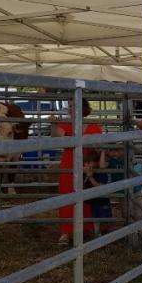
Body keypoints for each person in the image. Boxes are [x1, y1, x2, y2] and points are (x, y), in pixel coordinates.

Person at [52, 98, 104, 247]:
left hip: (87, 166)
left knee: (87, 197)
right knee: (67, 197)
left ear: (83, 107)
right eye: (69, 106)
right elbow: (57, 136)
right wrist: (53, 123)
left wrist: (92, 163)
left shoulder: (94, 126)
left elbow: (99, 146)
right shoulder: (66, 124)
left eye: (72, 106)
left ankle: (85, 228)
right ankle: (65, 232)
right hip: (69, 165)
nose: (69, 109)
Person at [82, 149, 111, 236]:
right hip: (93, 200)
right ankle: (97, 234)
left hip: (102, 200)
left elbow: (101, 188)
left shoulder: (101, 173)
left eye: (90, 162)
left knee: (105, 218)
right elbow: (83, 184)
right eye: (86, 162)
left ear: (96, 162)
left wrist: (90, 178)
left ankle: (106, 234)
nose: (87, 165)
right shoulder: (85, 172)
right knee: (95, 218)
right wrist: (88, 176)